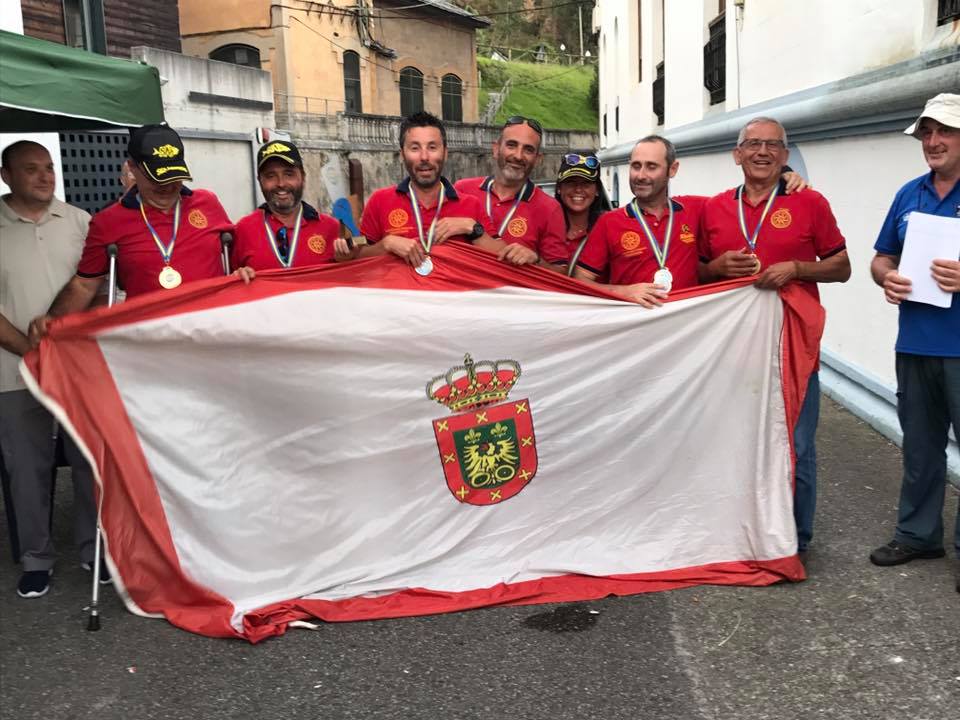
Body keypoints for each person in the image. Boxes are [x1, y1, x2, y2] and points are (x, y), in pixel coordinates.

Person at [698, 116, 851, 557]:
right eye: (753, 144)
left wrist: (799, 268)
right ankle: (738, 529)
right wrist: (716, 268)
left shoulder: (811, 203)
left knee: (796, 445)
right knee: (734, 438)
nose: (762, 152)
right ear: (737, 154)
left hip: (793, 345)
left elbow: (842, 266)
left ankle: (795, 539)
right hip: (733, 347)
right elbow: (698, 270)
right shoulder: (713, 208)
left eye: (772, 145)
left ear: (785, 156)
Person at [28, 124, 253, 342]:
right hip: (150, 342)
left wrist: (242, 270)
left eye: (173, 177)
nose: (166, 186)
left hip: (212, 334)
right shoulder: (108, 221)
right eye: (156, 178)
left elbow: (232, 255)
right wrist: (52, 319)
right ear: (132, 168)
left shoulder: (207, 203)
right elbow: (85, 284)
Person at [0, 141, 102, 597]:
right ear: (6, 176)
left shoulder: (81, 223)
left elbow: (99, 290)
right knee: (27, 467)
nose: (44, 177)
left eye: (48, 168)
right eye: (30, 169)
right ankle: (36, 557)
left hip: (77, 370)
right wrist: (28, 349)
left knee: (88, 461)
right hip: (13, 370)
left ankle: (92, 548)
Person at [868, 93, 960, 593]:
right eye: (926, 132)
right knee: (921, 448)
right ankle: (918, 534)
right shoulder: (909, 194)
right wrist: (888, 278)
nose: (933, 141)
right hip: (916, 344)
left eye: (943, 131)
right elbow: (881, 257)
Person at [357, 111, 537, 270]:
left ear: (445, 153)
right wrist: (386, 244)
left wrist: (471, 228)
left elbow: (502, 254)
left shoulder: (470, 205)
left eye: (432, 147)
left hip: (454, 305)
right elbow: (355, 254)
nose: (424, 157)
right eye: (415, 148)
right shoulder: (380, 200)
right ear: (402, 153)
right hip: (400, 305)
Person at [572, 136, 708, 306]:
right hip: (633, 327)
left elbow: (740, 204)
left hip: (684, 327)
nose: (641, 175)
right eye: (636, 166)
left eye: (651, 167)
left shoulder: (695, 209)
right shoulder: (609, 222)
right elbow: (580, 281)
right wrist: (624, 291)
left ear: (672, 169)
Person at [454, 116, 568, 270]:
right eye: (512, 145)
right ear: (496, 149)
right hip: (465, 290)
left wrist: (535, 260)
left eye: (528, 149)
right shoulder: (462, 190)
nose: (518, 156)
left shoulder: (550, 208)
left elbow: (561, 274)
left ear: (538, 159)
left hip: (513, 292)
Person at [232, 140, 346, 271]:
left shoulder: (331, 228)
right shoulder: (243, 230)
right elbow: (230, 281)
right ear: (260, 181)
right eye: (271, 176)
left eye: (288, 174)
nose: (281, 183)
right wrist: (238, 276)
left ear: (303, 177)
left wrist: (347, 260)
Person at [554, 152, 607, 274]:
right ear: (559, 188)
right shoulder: (544, 225)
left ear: (597, 190)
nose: (578, 189)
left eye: (586, 183)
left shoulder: (609, 227)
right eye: (571, 182)